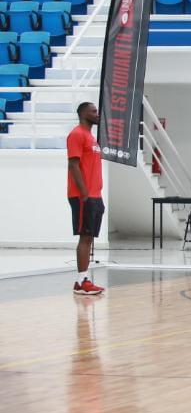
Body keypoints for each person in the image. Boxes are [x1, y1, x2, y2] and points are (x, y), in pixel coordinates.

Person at [67, 102, 105, 296]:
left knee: (89, 236)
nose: (97, 114)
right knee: (84, 236)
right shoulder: (76, 135)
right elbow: (73, 165)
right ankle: (81, 280)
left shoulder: (91, 137)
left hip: (95, 195)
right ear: (83, 114)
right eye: (93, 111)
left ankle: (82, 280)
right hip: (84, 196)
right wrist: (83, 193)